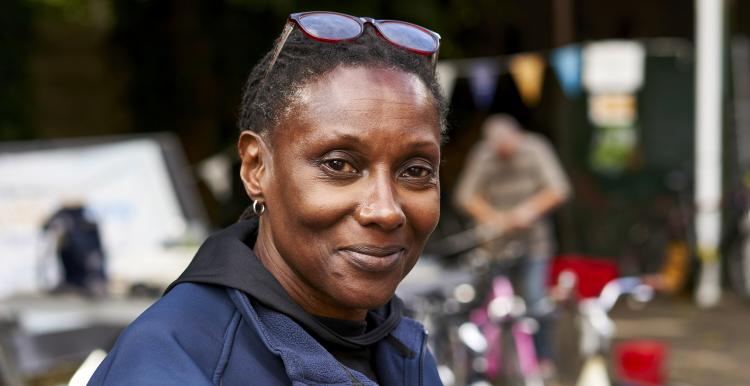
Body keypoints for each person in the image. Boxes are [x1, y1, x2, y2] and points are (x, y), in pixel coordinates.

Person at [88, 11, 447, 386]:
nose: (386, 211)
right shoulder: (174, 360)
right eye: (338, 164)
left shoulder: (402, 349)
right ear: (256, 168)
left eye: (416, 171)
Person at [453, 114, 571, 373]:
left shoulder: (536, 148)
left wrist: (529, 210)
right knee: (490, 305)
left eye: (507, 149)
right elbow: (465, 195)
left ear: (516, 137)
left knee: (535, 302)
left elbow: (559, 189)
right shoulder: (484, 154)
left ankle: (542, 361)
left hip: (533, 242)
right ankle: (486, 362)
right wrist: (492, 217)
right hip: (495, 244)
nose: (502, 154)